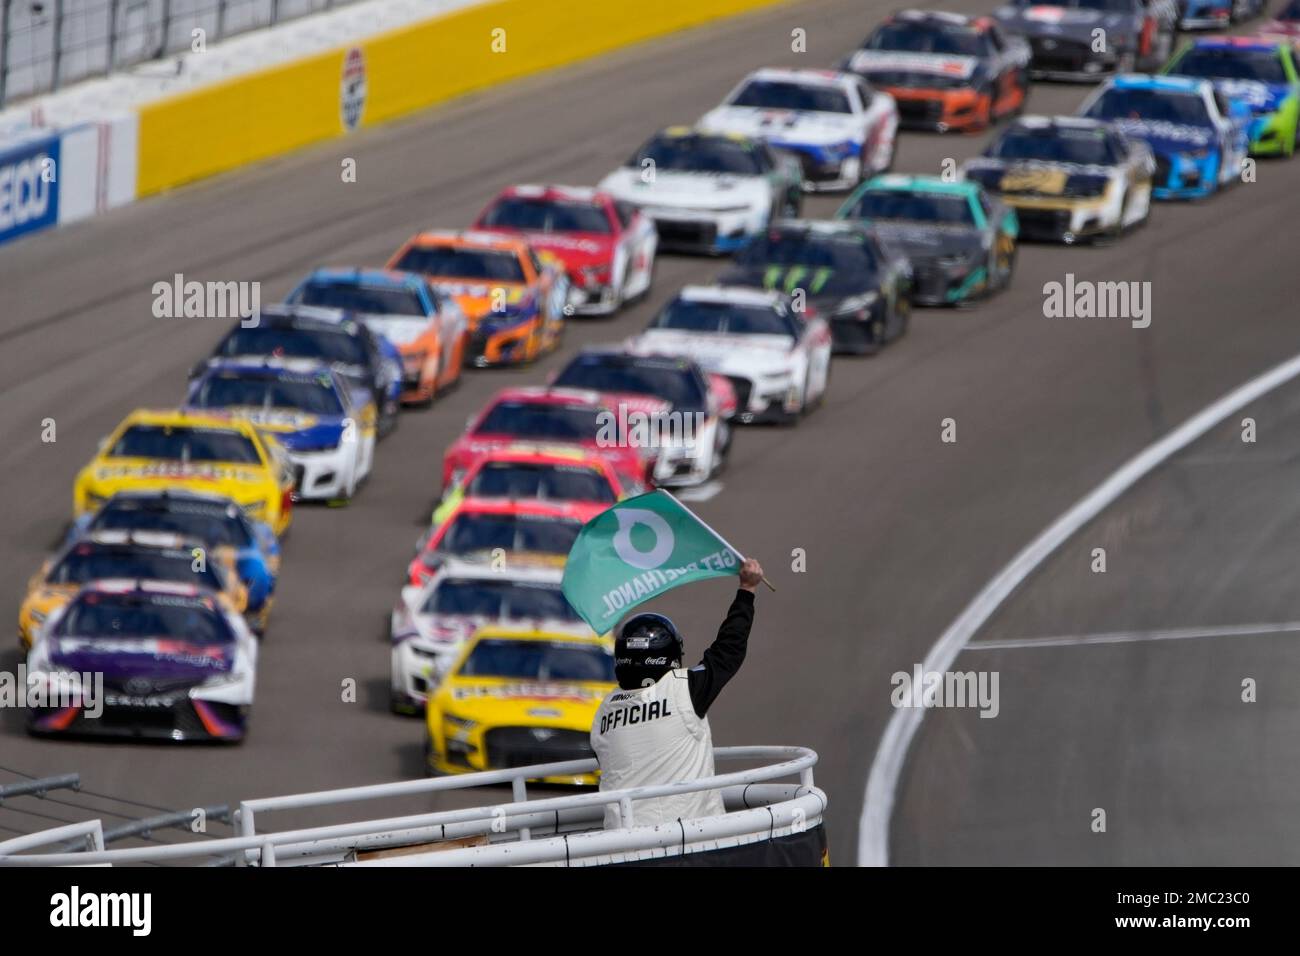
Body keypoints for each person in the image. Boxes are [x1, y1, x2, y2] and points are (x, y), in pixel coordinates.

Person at [589, 557, 764, 829]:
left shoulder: (605, 710)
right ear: (670, 657)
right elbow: (728, 650)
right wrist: (747, 590)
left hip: (619, 845)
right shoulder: (684, 689)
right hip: (686, 844)